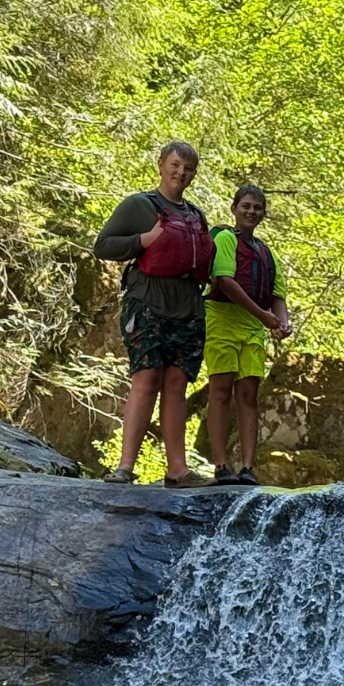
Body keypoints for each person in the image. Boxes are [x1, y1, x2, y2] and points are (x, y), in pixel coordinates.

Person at [94, 141, 216, 488]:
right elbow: (102, 246)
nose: (181, 173)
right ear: (162, 165)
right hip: (148, 301)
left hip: (187, 306)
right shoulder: (139, 205)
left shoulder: (195, 215)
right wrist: (144, 240)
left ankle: (177, 470)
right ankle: (125, 467)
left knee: (177, 384)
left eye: (188, 169)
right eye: (175, 165)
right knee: (146, 379)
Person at [204, 185, 293, 486]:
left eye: (257, 208)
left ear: (263, 214)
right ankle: (220, 466)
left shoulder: (268, 253)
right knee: (220, 389)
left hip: (253, 328)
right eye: (245, 206)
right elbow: (225, 281)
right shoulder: (227, 239)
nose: (251, 212)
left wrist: (282, 323)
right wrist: (264, 316)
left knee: (248, 396)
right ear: (234, 209)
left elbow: (277, 296)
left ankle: (247, 468)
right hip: (222, 320)